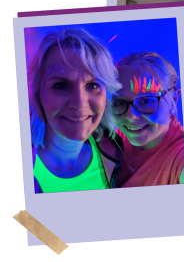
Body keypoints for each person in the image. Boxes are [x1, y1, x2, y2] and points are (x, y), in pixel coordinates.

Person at [27, 28, 124, 193]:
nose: (80, 103)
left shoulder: (118, 152)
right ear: (37, 95)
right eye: (61, 85)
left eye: (93, 85)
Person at [109, 52, 184, 188]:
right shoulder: (117, 139)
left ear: (174, 98)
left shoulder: (182, 155)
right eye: (119, 102)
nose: (131, 116)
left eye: (146, 100)